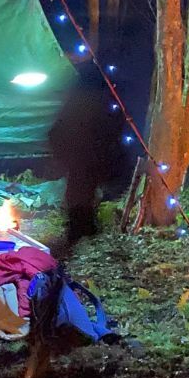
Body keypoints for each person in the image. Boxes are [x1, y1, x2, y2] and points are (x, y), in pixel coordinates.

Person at [48, 67, 125, 257]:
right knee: (80, 195)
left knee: (82, 194)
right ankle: (78, 232)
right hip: (82, 160)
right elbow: (57, 134)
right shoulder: (84, 110)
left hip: (86, 160)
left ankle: (82, 230)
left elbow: (57, 133)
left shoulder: (91, 109)